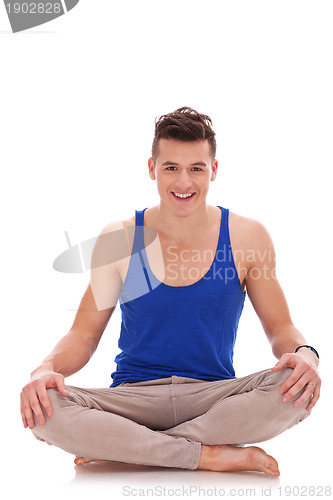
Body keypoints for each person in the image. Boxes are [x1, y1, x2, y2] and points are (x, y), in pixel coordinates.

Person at [20, 107, 321, 477]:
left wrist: (307, 355)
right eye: (171, 168)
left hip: (213, 399)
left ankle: (130, 448)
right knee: (45, 407)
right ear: (152, 169)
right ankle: (206, 455)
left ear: (213, 170)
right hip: (133, 398)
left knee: (294, 391)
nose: (184, 182)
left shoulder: (247, 236)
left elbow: (280, 330)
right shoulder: (122, 239)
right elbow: (82, 336)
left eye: (196, 168)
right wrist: (44, 368)